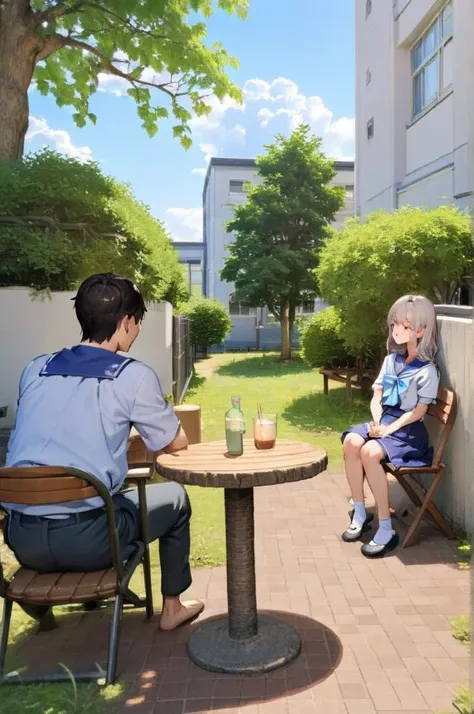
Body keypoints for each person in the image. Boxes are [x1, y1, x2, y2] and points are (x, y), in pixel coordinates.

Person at [2, 273, 204, 631]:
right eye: (138, 322)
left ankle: (37, 604)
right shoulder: (133, 376)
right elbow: (176, 444)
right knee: (175, 499)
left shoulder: (35, 369)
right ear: (125, 322)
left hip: (24, 539)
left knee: (101, 497)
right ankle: (172, 609)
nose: (138, 330)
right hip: (90, 543)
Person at [341, 295, 440, 558]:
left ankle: (386, 529)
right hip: (385, 423)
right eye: (395, 324)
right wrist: (377, 422)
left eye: (405, 326)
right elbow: (377, 396)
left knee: (370, 452)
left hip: (408, 431)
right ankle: (361, 512)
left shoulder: (427, 371)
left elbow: (419, 411)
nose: (397, 330)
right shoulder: (391, 360)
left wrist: (387, 429)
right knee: (352, 441)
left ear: (421, 331)